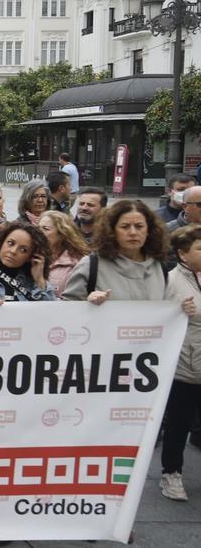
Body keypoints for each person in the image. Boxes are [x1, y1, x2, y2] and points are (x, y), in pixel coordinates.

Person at [61, 199, 191, 310]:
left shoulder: (159, 266)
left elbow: (166, 309)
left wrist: (181, 310)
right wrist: (86, 303)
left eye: (139, 226)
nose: (133, 232)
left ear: (148, 230)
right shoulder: (91, 265)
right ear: (111, 231)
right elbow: (66, 309)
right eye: (125, 226)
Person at [160, 224, 201, 501]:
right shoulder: (171, 281)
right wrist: (177, 311)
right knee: (178, 424)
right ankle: (171, 473)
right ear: (183, 254)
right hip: (186, 368)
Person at [38, 210, 91, 297]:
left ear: (61, 234)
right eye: (38, 228)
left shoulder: (78, 264)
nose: (38, 232)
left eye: (45, 229)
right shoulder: (29, 258)